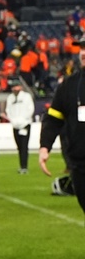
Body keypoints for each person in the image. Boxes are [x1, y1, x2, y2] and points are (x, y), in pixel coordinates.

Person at [39, 45, 85, 217]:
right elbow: (53, 118)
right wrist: (45, 146)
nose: (83, 52)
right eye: (82, 49)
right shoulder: (69, 84)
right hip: (79, 163)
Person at [2, 76, 34, 174]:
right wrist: (13, 121)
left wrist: (23, 120)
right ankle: (22, 166)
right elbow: (8, 110)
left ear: (20, 87)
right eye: (13, 87)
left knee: (24, 146)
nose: (14, 88)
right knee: (19, 146)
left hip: (25, 124)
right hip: (15, 125)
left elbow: (30, 109)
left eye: (16, 86)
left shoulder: (26, 97)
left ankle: (24, 167)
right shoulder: (10, 98)